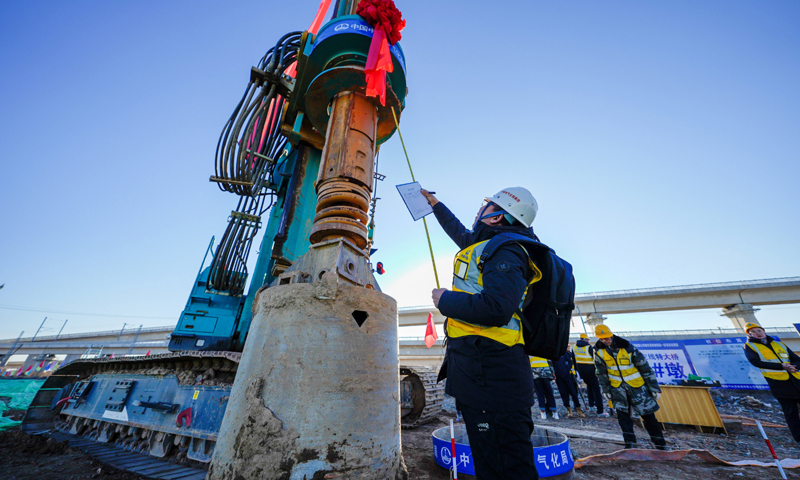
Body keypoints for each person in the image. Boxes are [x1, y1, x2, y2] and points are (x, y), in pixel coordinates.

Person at [422, 187, 540, 480]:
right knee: (491, 461)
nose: (480, 209)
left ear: (497, 217)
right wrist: (435, 204)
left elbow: (497, 308)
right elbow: (458, 231)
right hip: (481, 372)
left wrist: (445, 301)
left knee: (507, 466)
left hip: (493, 375)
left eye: (487, 205)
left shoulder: (508, 249)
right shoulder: (486, 244)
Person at [594, 324, 666, 450]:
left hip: (638, 388)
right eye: (601, 339)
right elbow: (601, 373)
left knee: (648, 416)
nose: (604, 341)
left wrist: (654, 387)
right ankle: (630, 444)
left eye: (606, 338)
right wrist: (605, 390)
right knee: (623, 418)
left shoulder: (627, 347)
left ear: (611, 335)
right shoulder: (599, 352)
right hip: (617, 389)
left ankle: (660, 444)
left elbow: (645, 368)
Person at [743, 323, 800, 447]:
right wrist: (781, 366)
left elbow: (796, 359)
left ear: (764, 331)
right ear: (749, 335)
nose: (758, 333)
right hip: (779, 384)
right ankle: (799, 439)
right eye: (753, 332)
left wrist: (793, 367)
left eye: (759, 330)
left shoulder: (778, 343)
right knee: (791, 413)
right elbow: (756, 362)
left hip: (796, 380)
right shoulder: (750, 346)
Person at [572, 333, 608, 417]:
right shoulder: (589, 347)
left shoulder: (574, 347)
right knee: (597, 390)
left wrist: (578, 371)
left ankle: (591, 406)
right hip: (591, 371)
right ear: (586, 340)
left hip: (582, 372)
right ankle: (600, 411)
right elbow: (595, 360)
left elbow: (574, 361)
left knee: (589, 387)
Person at [553, 349, 583, 417]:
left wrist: (567, 370)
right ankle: (569, 410)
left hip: (567, 376)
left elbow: (569, 361)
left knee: (573, 392)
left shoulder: (564, 353)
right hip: (558, 378)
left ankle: (578, 409)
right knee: (563, 393)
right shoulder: (553, 355)